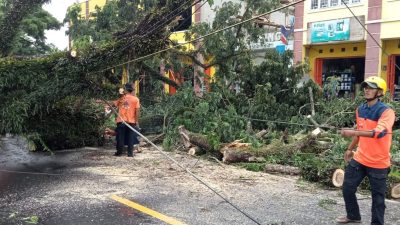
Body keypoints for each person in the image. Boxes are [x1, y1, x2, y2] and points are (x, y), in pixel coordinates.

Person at [337, 76, 395, 225]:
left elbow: (378, 133)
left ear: (380, 92)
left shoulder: (387, 112)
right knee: (348, 187)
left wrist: (351, 132)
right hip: (360, 158)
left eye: (371, 87)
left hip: (378, 162)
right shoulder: (360, 109)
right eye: (365, 87)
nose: (367, 90)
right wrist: (350, 149)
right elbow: (359, 131)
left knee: (378, 199)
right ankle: (353, 215)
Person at [113, 83, 140, 157]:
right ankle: (130, 153)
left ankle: (119, 152)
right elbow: (137, 112)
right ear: (132, 90)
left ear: (126, 90)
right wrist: (136, 121)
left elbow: (114, 104)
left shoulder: (122, 98)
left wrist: (120, 94)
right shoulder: (136, 99)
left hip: (121, 121)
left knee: (120, 137)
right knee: (130, 137)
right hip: (131, 121)